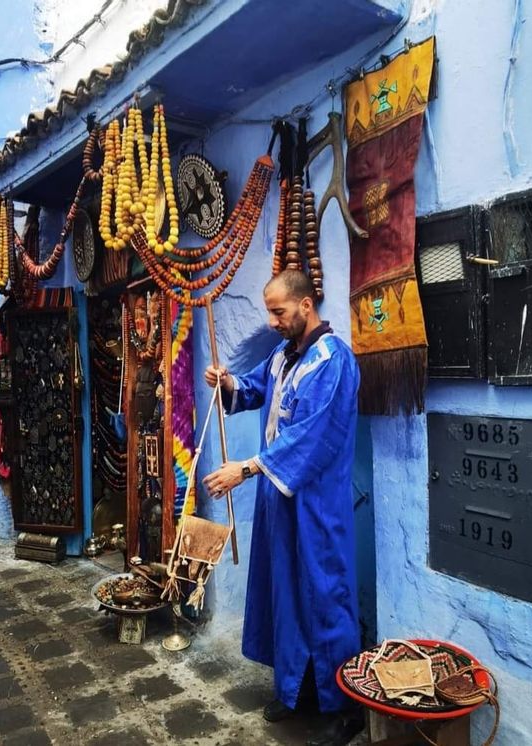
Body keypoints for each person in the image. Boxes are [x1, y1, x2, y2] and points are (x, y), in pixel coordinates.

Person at [203, 270, 364, 746]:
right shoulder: (282, 356)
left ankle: (344, 707)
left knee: (325, 594)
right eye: (269, 312)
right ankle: (297, 689)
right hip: (279, 496)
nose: (272, 320)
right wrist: (228, 381)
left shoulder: (333, 362)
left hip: (317, 503)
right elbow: (252, 389)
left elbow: (310, 438)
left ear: (306, 305)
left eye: (279, 311)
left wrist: (246, 468)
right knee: (285, 591)